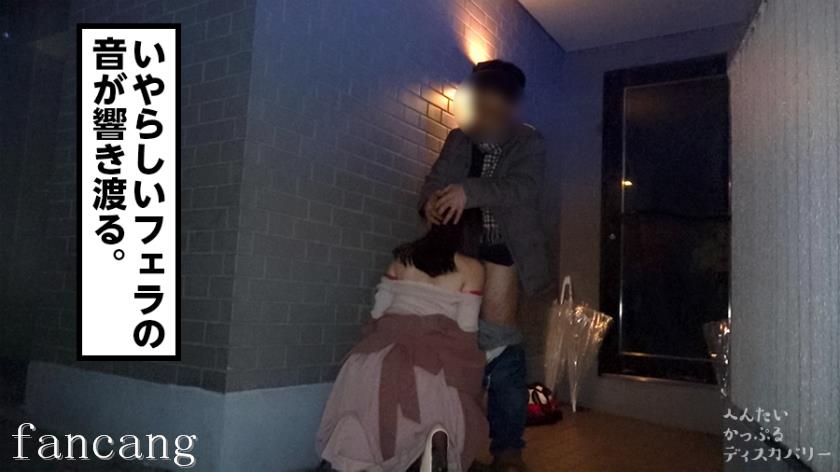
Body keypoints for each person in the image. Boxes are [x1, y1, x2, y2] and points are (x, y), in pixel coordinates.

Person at [418, 59, 551, 472]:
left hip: (503, 253)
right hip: (459, 254)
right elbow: (433, 182)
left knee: (502, 348)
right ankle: (446, 443)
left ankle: (508, 449)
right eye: (482, 102)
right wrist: (429, 204)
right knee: (452, 347)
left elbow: (522, 188)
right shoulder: (459, 139)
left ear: (510, 104)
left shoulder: (528, 141)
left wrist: (467, 191)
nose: (488, 112)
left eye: (497, 103)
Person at [316, 222, 488, 471]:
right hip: (429, 364)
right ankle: (431, 446)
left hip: (374, 361)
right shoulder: (473, 269)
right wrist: (469, 375)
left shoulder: (402, 259)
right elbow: (466, 332)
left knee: (363, 429)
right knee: (449, 413)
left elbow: (377, 313)